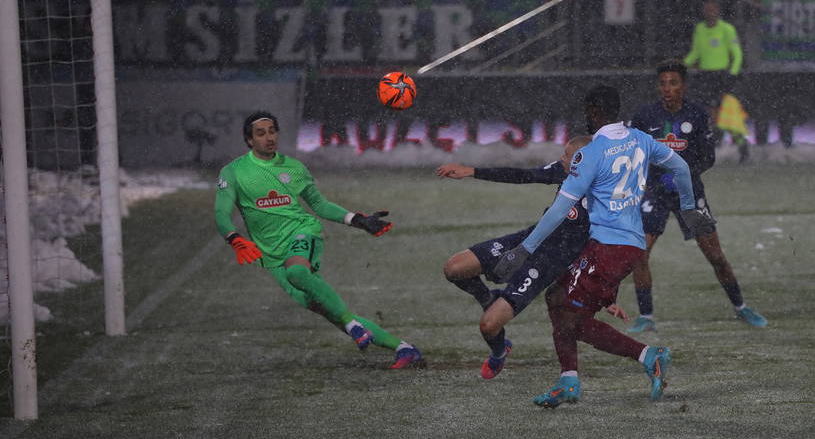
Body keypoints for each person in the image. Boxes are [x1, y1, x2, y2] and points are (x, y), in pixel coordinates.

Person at [491, 85, 708, 408]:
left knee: (571, 318)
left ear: (593, 112)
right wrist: (689, 208)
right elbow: (681, 167)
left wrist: (523, 249)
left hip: (609, 247)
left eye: (586, 112)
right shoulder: (641, 140)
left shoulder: (590, 153)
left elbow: (559, 209)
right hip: (627, 245)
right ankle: (569, 381)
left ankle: (650, 356)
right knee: (557, 299)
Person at [214, 112, 421, 368]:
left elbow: (319, 205)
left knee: (298, 272)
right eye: (261, 133)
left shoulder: (294, 168)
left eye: (272, 131)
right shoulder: (233, 172)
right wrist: (234, 238)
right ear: (248, 140)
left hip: (302, 231)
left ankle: (353, 326)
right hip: (271, 254)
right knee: (330, 311)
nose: (268, 137)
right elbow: (221, 212)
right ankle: (404, 348)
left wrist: (357, 219)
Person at [625, 61, 767, 334]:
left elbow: (708, 157)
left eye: (673, 83)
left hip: (690, 194)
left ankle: (741, 306)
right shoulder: (645, 116)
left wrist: (684, 174)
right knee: (639, 255)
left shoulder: (697, 115)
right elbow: (633, 154)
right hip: (655, 193)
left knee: (715, 255)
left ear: (683, 86)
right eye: (663, 83)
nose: (667, 89)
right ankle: (646, 316)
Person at [434, 135, 593, 379]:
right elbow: (523, 175)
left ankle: (499, 351)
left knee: (488, 326)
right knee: (454, 268)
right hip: (526, 240)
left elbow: (603, 242)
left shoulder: (602, 194)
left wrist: (602, 285)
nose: (561, 159)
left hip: (546, 263)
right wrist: (472, 171)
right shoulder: (564, 173)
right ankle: (487, 298)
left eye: (567, 156)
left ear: (584, 160)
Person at [683, 0, 748, 161]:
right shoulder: (700, 29)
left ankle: (743, 147)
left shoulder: (727, 29)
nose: (710, 13)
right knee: (707, 114)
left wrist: (732, 74)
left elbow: (737, 54)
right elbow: (696, 52)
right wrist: (681, 65)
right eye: (707, 10)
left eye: (713, 10)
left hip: (723, 76)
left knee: (729, 115)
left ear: (718, 12)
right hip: (705, 77)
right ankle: (710, 148)